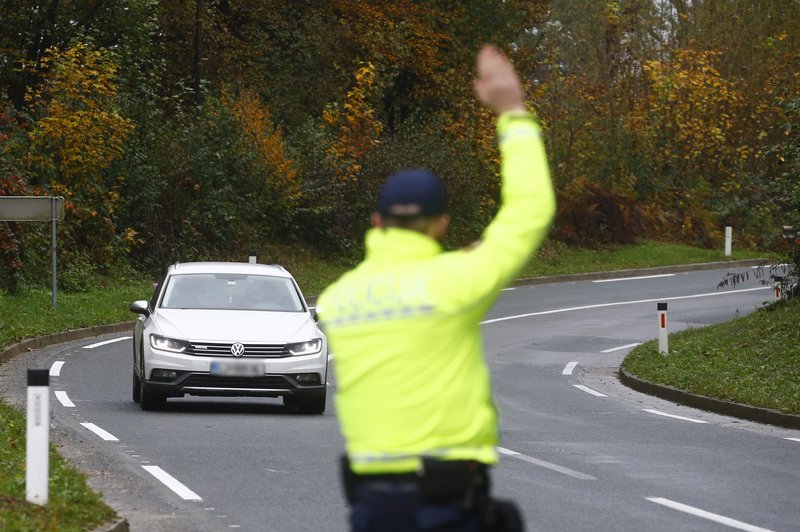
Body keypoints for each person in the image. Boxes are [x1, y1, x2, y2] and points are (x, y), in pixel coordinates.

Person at [317, 44, 556, 531]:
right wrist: (511, 111)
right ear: (442, 223)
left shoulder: (337, 300)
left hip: (373, 505)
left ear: (377, 221)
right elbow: (528, 212)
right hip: (447, 502)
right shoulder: (454, 283)